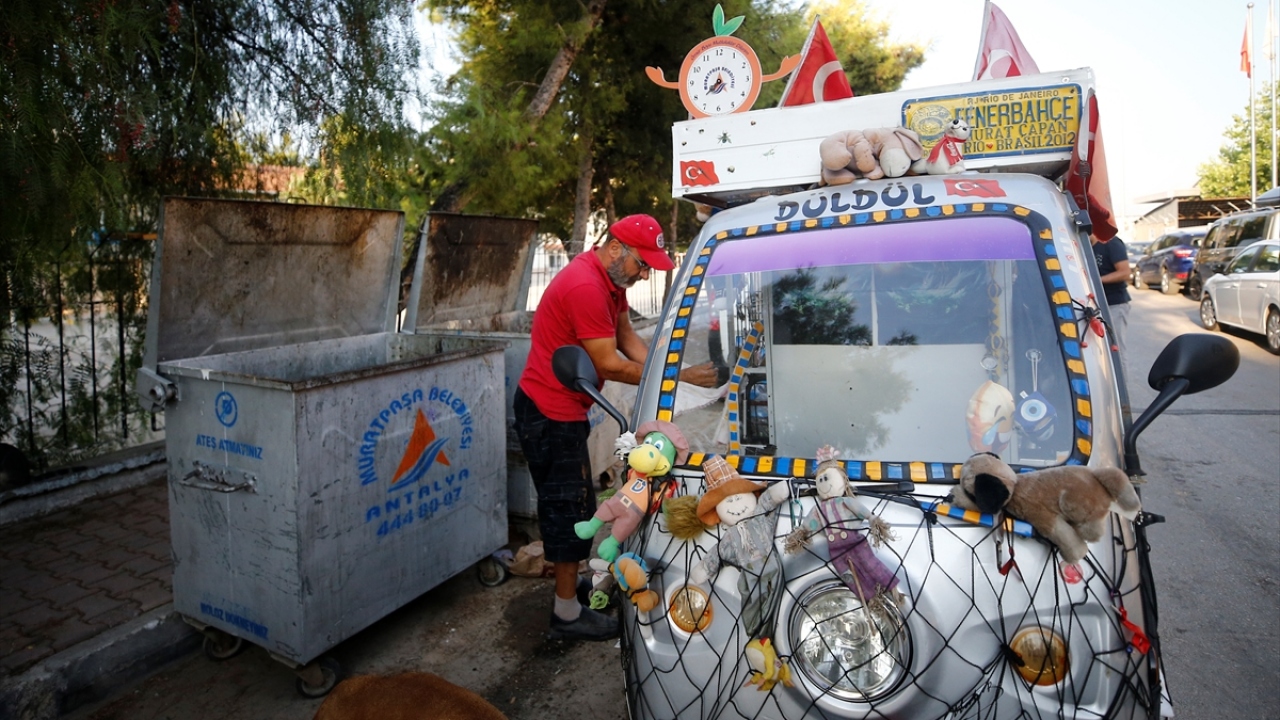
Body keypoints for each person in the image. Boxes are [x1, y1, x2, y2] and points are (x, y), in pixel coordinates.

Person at [514, 213, 718, 641]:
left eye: (648, 267)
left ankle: (571, 593)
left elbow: (627, 340)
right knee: (570, 508)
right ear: (614, 249)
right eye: (641, 264)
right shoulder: (586, 287)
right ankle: (565, 616)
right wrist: (679, 378)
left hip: (565, 407)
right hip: (549, 412)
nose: (644, 274)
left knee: (578, 503)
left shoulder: (610, 284)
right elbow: (608, 363)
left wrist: (669, 370)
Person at [1090, 233, 1131, 370]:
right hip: (1095, 306)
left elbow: (1125, 272)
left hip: (1114, 304)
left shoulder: (1111, 243)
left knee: (1116, 349)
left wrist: (1096, 280)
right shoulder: (1086, 247)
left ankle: (1122, 389)